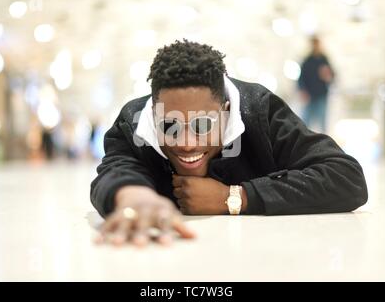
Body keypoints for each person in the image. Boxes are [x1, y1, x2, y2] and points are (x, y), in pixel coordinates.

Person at [91, 40, 367, 247]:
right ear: (154, 117)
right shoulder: (133, 122)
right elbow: (116, 170)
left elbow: (346, 178)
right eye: (169, 126)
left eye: (202, 125)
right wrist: (133, 196)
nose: (187, 144)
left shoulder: (260, 111)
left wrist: (234, 197)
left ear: (224, 112)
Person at [298, 36, 334, 133]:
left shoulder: (324, 60)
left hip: (321, 94)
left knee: (322, 122)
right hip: (309, 95)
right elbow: (301, 78)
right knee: (306, 121)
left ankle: (324, 144)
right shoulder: (307, 61)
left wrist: (328, 76)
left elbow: (332, 76)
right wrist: (302, 91)